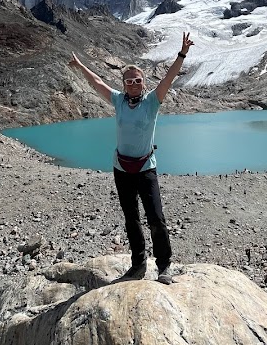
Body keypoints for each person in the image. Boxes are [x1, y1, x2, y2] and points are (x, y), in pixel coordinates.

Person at [68, 32, 194, 285]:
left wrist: (182, 54)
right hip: (122, 168)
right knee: (131, 218)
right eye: (129, 81)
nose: (134, 83)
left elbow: (169, 78)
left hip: (146, 167)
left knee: (156, 217)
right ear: (124, 84)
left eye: (137, 80)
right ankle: (138, 265)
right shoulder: (118, 100)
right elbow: (96, 82)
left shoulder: (152, 101)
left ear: (144, 82)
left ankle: (164, 265)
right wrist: (80, 66)